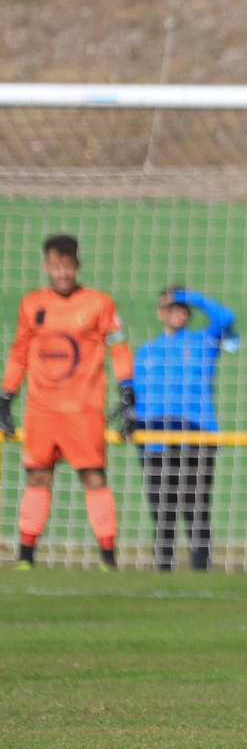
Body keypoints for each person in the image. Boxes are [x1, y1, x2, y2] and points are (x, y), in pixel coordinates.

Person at [1, 235, 136, 570]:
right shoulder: (32, 304)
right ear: (46, 266)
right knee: (37, 478)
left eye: (69, 266)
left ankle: (108, 558)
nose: (63, 273)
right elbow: (19, 353)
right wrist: (5, 396)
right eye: (57, 266)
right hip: (41, 410)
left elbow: (118, 347)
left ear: (77, 266)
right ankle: (26, 557)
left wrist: (128, 391)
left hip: (83, 411)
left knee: (93, 478)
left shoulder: (99, 303)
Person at [133, 286, 239, 571]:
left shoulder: (203, 341)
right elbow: (138, 395)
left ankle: (201, 568)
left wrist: (189, 296)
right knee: (162, 509)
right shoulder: (146, 352)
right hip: (156, 441)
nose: (178, 311)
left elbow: (227, 317)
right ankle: (163, 568)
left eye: (182, 308)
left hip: (197, 436)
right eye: (171, 306)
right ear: (160, 313)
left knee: (196, 507)